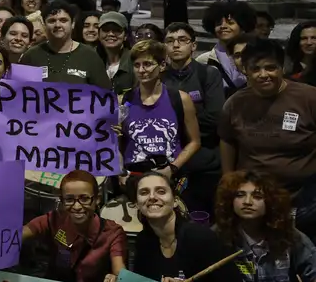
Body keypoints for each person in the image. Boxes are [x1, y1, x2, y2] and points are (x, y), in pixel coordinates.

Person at [219, 38, 316, 241]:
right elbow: (227, 141)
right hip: (253, 199)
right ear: (244, 69)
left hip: (304, 201)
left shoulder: (309, 98)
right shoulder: (235, 103)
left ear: (282, 68)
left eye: (271, 68)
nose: (264, 75)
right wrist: (228, 184)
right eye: (256, 69)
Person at [130, 171, 248, 282]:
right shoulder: (143, 241)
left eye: (161, 191)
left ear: (175, 201)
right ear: (136, 204)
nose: (152, 197)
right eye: (144, 192)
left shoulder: (199, 237)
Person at [213, 171, 316, 282]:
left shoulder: (292, 238)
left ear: (270, 202)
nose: (247, 202)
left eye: (257, 196)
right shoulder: (217, 238)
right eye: (240, 195)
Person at [22, 171, 124, 282]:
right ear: (62, 200)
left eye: (85, 199)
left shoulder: (112, 233)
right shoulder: (54, 220)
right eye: (69, 199)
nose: (77, 207)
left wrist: (116, 279)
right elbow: (18, 235)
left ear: (97, 199)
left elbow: (121, 273)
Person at [162, 23, 225, 213]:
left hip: (204, 162)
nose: (176, 45)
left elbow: (214, 119)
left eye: (182, 40)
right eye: (170, 41)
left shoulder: (208, 74)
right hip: (169, 160)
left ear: (193, 46)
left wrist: (176, 118)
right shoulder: (160, 78)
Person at [120, 40, 201, 182]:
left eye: (147, 64)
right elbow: (114, 142)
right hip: (133, 175)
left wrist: (173, 168)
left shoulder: (180, 99)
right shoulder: (123, 101)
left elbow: (194, 142)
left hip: (169, 174)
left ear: (162, 65)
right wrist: (121, 172)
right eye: (137, 65)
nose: (141, 70)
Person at [18, 1, 110, 88]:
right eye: (52, 21)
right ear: (44, 25)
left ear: (73, 24)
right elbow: (19, 93)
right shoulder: (31, 56)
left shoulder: (90, 56)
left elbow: (104, 95)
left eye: (63, 20)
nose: (58, 25)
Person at [196, 0, 257, 96]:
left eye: (230, 22)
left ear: (243, 25)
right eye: (218, 23)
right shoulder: (203, 61)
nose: (223, 26)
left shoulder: (257, 56)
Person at [96, 12, 134, 95]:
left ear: (125, 35)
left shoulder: (134, 61)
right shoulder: (91, 59)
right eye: (106, 30)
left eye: (117, 30)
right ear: (98, 34)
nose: (111, 34)